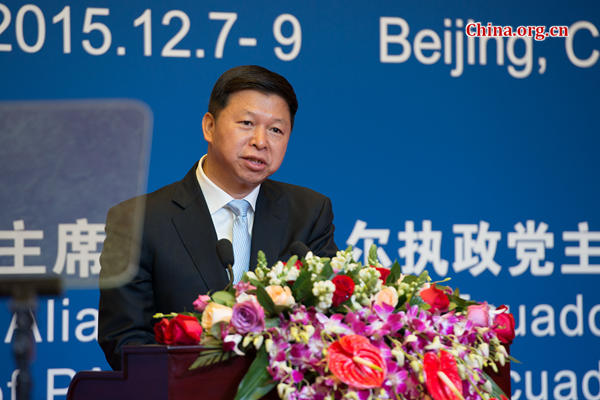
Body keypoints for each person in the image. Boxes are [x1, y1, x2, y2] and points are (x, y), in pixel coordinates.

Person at [98, 65, 338, 370]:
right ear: (209, 127)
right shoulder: (137, 220)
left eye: (276, 129)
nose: (261, 141)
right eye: (247, 123)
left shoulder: (310, 213)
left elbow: (327, 322)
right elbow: (124, 340)